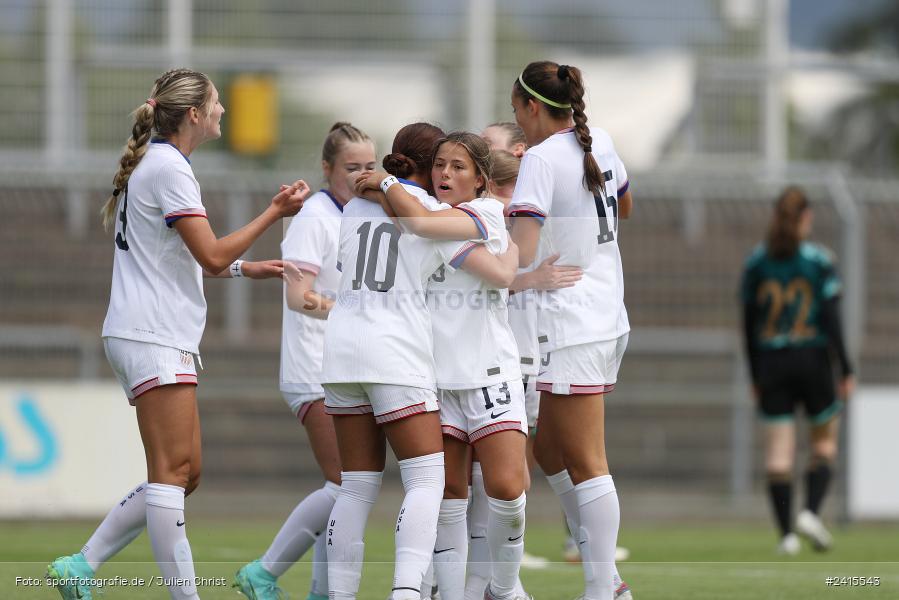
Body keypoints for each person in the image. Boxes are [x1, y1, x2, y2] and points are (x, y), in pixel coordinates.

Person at [46, 68, 309, 600]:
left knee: (186, 474)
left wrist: (245, 269)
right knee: (171, 473)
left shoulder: (157, 163)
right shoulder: (170, 169)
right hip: (152, 334)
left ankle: (82, 564)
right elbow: (210, 253)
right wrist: (274, 212)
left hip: (150, 332)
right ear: (193, 114)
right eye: (215, 104)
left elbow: (193, 260)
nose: (222, 112)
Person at [321, 123, 516, 600]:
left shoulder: (355, 204)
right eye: (442, 165)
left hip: (341, 349)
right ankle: (407, 590)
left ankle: (339, 594)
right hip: (395, 351)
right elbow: (491, 269)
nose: (446, 175)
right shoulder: (429, 210)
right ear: (430, 170)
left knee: (355, 485)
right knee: (428, 479)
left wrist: (380, 184)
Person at [507, 61, 633, 600]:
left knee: (585, 459)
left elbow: (522, 253)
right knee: (550, 450)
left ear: (533, 108)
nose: (518, 124)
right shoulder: (597, 139)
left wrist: (477, 272)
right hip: (606, 313)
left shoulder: (539, 159)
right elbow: (625, 205)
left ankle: (603, 589)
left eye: (518, 112)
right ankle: (607, 581)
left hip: (573, 320)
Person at [234, 123, 377, 600]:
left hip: (341, 366)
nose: (361, 175)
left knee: (343, 488)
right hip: (312, 369)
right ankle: (264, 573)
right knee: (344, 486)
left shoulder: (360, 212)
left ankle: (319, 590)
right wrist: (356, 312)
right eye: (351, 167)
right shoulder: (315, 217)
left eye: (369, 166)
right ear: (327, 168)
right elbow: (299, 298)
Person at [740, 186, 854, 555]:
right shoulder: (819, 260)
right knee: (823, 444)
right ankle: (809, 512)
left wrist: (755, 374)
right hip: (813, 359)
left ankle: (787, 536)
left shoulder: (757, 262)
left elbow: (748, 325)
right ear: (804, 218)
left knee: (778, 454)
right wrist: (846, 368)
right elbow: (833, 320)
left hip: (772, 363)